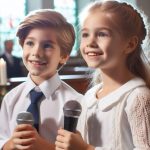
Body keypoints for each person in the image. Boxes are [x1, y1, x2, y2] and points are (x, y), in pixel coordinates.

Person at [55, 1, 150, 150]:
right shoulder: (90, 97)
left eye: (102, 34)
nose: (90, 42)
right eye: (85, 34)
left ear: (130, 44)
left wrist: (86, 149)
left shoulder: (138, 97)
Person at [0, 9, 83, 150]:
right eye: (30, 43)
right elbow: (2, 140)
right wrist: (11, 143)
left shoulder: (76, 103)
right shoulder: (10, 99)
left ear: (64, 56)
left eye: (47, 45)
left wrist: (42, 146)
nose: (36, 52)